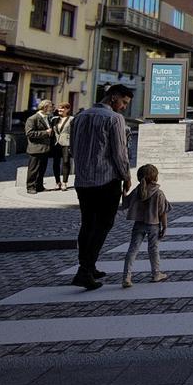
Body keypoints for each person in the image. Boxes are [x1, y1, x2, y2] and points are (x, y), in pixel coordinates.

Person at [69, 84, 133, 290]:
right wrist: (126, 176)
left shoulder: (80, 117)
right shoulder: (114, 119)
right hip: (106, 180)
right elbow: (119, 153)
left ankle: (88, 265)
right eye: (123, 102)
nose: (123, 107)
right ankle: (85, 271)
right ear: (113, 97)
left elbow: (72, 148)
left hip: (82, 180)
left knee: (87, 223)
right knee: (103, 225)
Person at [120, 163, 171, 288]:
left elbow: (125, 204)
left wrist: (124, 191)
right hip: (153, 224)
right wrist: (164, 226)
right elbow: (162, 212)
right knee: (153, 249)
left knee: (132, 250)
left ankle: (126, 277)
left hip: (139, 224)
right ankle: (156, 274)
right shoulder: (159, 193)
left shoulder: (138, 191)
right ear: (155, 177)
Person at [24, 100, 56, 194]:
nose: (52, 108)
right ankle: (30, 187)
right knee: (33, 169)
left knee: (42, 169)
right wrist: (45, 132)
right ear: (45, 107)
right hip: (36, 148)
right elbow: (29, 133)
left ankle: (39, 186)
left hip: (45, 148)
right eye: (50, 106)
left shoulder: (48, 118)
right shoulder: (32, 119)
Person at [50, 102, 74, 190]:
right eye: (59, 108)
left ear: (67, 109)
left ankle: (64, 182)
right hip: (56, 144)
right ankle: (57, 182)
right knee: (55, 163)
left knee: (66, 162)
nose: (60, 110)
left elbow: (74, 133)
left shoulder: (72, 119)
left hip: (67, 143)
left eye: (63, 108)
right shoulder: (54, 119)